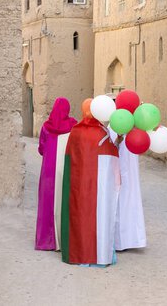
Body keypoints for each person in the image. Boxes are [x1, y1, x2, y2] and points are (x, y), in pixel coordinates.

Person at [60, 101, 120, 266]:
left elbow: (69, 158)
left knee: (79, 216)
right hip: (97, 186)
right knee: (97, 216)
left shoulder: (75, 131)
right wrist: (118, 142)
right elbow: (112, 155)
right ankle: (97, 255)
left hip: (77, 184)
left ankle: (78, 253)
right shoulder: (102, 133)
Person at [36, 98, 77, 251]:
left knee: (48, 202)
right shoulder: (73, 125)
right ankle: (63, 240)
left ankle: (47, 241)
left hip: (48, 170)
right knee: (64, 200)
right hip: (66, 168)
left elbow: (41, 149)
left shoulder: (46, 127)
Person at [109, 127, 147, 251]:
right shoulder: (114, 127)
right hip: (119, 169)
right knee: (122, 199)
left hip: (128, 170)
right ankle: (121, 240)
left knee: (126, 198)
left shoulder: (134, 129)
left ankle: (127, 239)